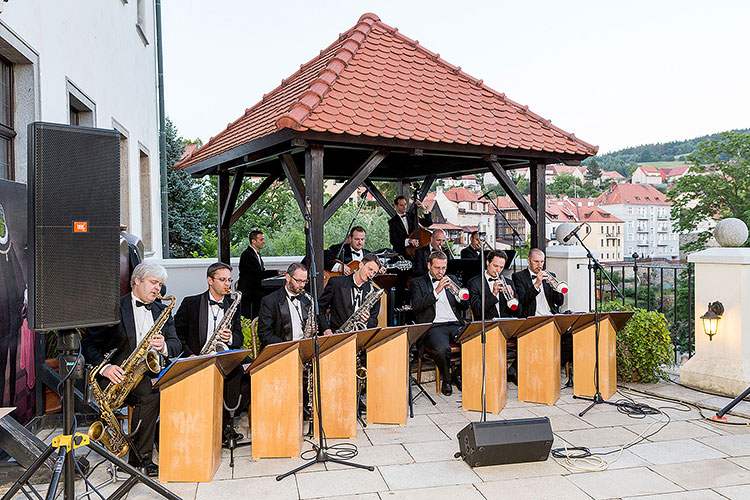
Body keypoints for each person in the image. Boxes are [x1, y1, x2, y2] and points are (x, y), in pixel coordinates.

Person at [82, 262, 182, 476]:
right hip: (115, 376)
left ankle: (152, 453)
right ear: (137, 280)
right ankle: (137, 456)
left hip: (148, 373)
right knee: (150, 395)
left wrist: (163, 345)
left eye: (161, 284)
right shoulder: (114, 308)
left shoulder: (162, 310)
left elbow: (176, 345)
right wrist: (105, 367)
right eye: (153, 282)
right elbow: (87, 344)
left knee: (162, 390)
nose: (158, 288)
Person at [174, 262, 245, 444]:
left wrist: (230, 338)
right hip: (199, 357)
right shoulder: (191, 303)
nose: (227, 284)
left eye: (229, 280)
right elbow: (176, 334)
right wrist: (189, 354)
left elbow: (239, 338)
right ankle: (205, 424)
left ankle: (227, 425)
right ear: (209, 280)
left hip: (223, 357)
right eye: (222, 280)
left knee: (243, 372)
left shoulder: (233, 304)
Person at [409, 251, 469, 396]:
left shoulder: (452, 279)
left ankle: (456, 374)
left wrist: (458, 295)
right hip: (433, 326)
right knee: (442, 349)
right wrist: (436, 291)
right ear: (429, 265)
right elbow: (417, 306)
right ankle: (447, 380)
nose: (441, 272)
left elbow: (465, 306)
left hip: (454, 323)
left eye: (443, 268)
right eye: (437, 268)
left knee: (477, 341)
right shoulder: (417, 282)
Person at [319, 253, 381, 334]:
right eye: (370, 269)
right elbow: (320, 308)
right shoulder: (336, 283)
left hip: (360, 338)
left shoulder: (374, 292)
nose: (371, 274)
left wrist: (367, 320)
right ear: (361, 265)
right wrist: (325, 329)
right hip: (338, 336)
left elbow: (374, 321)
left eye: (374, 272)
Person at [257, 263, 314, 347]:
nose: (302, 285)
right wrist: (288, 346)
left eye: (304, 281)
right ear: (288, 277)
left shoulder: (308, 299)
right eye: (298, 281)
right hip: (281, 350)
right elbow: (265, 334)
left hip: (304, 348)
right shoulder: (270, 301)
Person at [237, 231, 279, 319]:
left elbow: (260, 272)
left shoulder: (255, 254)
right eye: (261, 239)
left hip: (255, 289)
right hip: (249, 292)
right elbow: (257, 274)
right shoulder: (247, 255)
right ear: (253, 241)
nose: (264, 242)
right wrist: (276, 272)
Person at [512, 248, 565, 318]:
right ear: (528, 260)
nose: (539, 265)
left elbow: (559, 302)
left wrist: (555, 289)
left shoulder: (550, 275)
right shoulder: (519, 276)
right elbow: (523, 301)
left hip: (550, 316)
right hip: (532, 318)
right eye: (536, 261)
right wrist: (536, 285)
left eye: (542, 261)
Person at [467, 250, 518, 320]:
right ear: (488, 262)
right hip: (487, 326)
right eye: (495, 266)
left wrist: (511, 297)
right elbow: (477, 311)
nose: (498, 270)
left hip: (506, 325)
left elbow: (518, 312)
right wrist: (493, 294)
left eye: (501, 267)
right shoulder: (474, 283)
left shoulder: (509, 282)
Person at [388, 195, 432, 259]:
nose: (404, 207)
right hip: (402, 254)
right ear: (396, 206)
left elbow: (428, 223)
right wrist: (408, 241)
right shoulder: (392, 222)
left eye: (405, 204)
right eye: (401, 205)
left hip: (417, 253)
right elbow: (393, 241)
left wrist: (423, 208)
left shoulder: (412, 216)